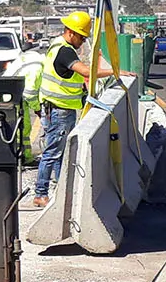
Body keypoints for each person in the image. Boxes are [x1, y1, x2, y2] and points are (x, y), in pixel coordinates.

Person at [28, 11, 116, 208]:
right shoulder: (65, 51)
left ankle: (60, 190)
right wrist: (115, 71)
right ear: (72, 33)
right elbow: (86, 72)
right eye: (82, 37)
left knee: (59, 153)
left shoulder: (58, 46)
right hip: (59, 111)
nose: (83, 41)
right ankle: (40, 194)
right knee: (52, 153)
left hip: (58, 109)